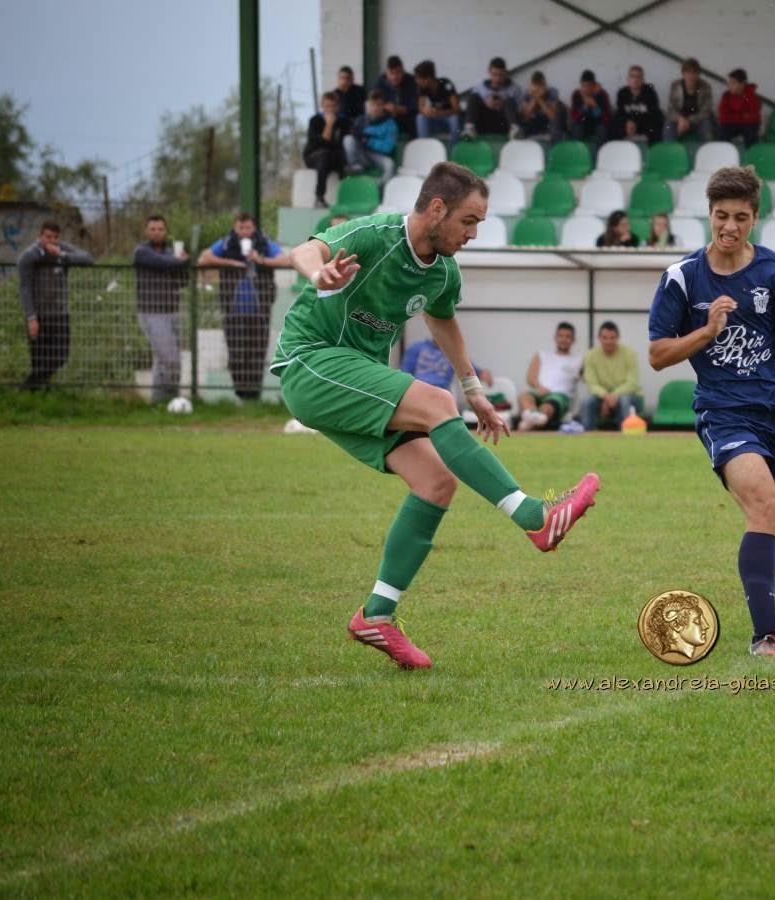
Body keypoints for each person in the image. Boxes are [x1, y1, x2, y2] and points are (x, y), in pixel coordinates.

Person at [271, 162, 601, 669]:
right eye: (469, 221)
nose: (473, 234)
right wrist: (320, 273)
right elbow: (305, 249)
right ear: (437, 209)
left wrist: (474, 390)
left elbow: (442, 320)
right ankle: (534, 517)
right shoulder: (377, 235)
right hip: (311, 362)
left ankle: (377, 615)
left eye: (479, 224)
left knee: (436, 483)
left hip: (353, 377)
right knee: (435, 403)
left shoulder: (444, 271)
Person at [647, 165, 775, 658]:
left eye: (740, 217)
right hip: (725, 414)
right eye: (721, 215)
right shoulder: (682, 278)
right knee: (762, 506)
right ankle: (766, 638)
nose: (729, 226)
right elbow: (657, 355)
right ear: (709, 214)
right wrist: (706, 331)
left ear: (755, 219)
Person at [199, 212, 290, 401]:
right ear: (235, 228)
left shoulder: (264, 243)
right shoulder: (226, 243)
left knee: (257, 354)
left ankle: (254, 396)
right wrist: (230, 263)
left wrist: (261, 260)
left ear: (254, 228)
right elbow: (204, 258)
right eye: (241, 228)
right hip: (233, 311)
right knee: (236, 354)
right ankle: (241, 394)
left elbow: (285, 259)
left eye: (248, 227)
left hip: (260, 311)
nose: (245, 231)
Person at [16, 221, 93, 390]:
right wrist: (31, 317)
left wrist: (62, 255)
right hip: (38, 315)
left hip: (60, 314)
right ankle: (38, 393)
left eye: (55, 237)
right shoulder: (29, 256)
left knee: (61, 355)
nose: (52, 240)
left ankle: (26, 387)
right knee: (39, 360)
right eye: (48, 237)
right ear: (40, 236)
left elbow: (88, 259)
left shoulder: (62, 249)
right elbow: (25, 288)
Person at [132, 215, 191, 402]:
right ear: (146, 231)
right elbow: (161, 262)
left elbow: (183, 281)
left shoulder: (172, 253)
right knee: (170, 359)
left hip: (173, 310)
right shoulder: (141, 252)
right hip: (152, 312)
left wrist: (184, 264)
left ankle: (159, 400)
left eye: (160, 229)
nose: (157, 232)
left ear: (166, 231)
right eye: (153, 229)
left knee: (164, 359)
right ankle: (172, 397)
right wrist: (180, 260)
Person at [518, 321, 583, 431]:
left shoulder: (579, 360)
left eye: (568, 337)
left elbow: (588, 378)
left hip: (560, 396)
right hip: (540, 391)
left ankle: (529, 422)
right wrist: (539, 387)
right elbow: (530, 378)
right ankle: (534, 419)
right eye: (561, 336)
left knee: (547, 408)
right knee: (524, 396)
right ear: (555, 338)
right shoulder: (541, 355)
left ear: (573, 340)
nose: (564, 339)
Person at [581, 321, 643, 430]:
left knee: (624, 400)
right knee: (587, 402)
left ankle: (627, 435)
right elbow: (592, 385)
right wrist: (606, 396)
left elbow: (632, 383)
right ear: (599, 338)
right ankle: (588, 435)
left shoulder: (630, 354)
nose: (608, 341)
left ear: (618, 338)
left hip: (632, 397)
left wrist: (613, 396)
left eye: (612, 338)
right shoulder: (590, 356)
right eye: (605, 338)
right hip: (602, 397)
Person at [343, 89, 399, 185]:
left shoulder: (391, 124)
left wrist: (369, 141)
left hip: (379, 156)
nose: (375, 108)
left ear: (383, 105)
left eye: (379, 104)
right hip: (362, 155)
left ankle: (380, 188)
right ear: (368, 105)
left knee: (390, 164)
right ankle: (355, 167)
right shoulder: (360, 121)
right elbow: (353, 141)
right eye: (373, 104)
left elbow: (388, 147)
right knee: (348, 139)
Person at [464, 57, 523, 140]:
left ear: (506, 73)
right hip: (484, 121)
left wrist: (503, 105)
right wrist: (486, 103)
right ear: (489, 72)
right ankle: (469, 129)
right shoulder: (480, 87)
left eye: (501, 75)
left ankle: (514, 131)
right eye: (494, 75)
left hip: (504, 123)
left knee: (509, 100)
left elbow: (520, 111)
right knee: (473, 97)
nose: (497, 78)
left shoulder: (515, 89)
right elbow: (470, 108)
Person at [304, 92, 345, 207]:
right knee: (324, 154)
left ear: (338, 106)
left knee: (341, 156)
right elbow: (320, 144)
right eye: (327, 106)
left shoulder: (342, 121)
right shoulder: (314, 120)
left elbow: (340, 144)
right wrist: (329, 125)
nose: (330, 109)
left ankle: (346, 196)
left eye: (333, 106)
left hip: (332, 156)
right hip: (313, 156)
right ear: (322, 106)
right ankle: (319, 197)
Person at [663, 58, 715, 142]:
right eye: (688, 72)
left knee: (707, 128)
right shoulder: (675, 85)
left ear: (698, 74)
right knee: (668, 127)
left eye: (694, 72)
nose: (691, 76)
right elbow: (671, 109)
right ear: (683, 74)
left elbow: (706, 110)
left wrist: (689, 120)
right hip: (679, 119)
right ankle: (670, 149)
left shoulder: (706, 86)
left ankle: (707, 149)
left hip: (698, 120)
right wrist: (680, 119)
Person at [414, 59, 462, 144]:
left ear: (428, 78)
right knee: (420, 117)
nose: (416, 81)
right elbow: (420, 107)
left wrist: (439, 113)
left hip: (448, 119)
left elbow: (457, 109)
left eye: (418, 78)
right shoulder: (422, 88)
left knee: (454, 119)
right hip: (435, 119)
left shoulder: (446, 84)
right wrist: (426, 111)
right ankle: (425, 146)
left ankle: (454, 149)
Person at [612, 65, 663, 143]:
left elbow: (654, 114)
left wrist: (636, 124)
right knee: (613, 126)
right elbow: (620, 113)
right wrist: (627, 123)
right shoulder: (622, 93)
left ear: (643, 80)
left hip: (644, 125)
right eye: (632, 76)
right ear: (628, 79)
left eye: (638, 77)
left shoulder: (650, 93)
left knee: (656, 127)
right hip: (628, 125)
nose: (635, 80)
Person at [375, 55, 420, 137]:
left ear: (403, 71)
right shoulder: (380, 82)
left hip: (407, 116)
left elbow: (415, 104)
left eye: (398, 73)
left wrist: (397, 109)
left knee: (416, 118)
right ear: (386, 72)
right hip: (388, 114)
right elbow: (375, 101)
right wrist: (386, 107)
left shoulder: (411, 81)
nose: (395, 77)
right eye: (391, 73)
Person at [519, 70, 567, 143]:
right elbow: (526, 117)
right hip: (535, 120)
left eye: (540, 85)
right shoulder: (526, 93)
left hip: (548, 121)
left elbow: (552, 116)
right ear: (531, 85)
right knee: (522, 129)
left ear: (544, 84)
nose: (538, 88)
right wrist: (535, 98)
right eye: (536, 85)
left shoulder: (552, 92)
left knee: (556, 124)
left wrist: (540, 99)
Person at [569, 70, 612, 143]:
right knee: (577, 129)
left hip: (598, 124)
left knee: (602, 130)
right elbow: (574, 117)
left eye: (589, 86)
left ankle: (600, 150)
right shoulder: (576, 95)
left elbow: (607, 118)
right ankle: (578, 150)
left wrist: (595, 105)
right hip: (582, 123)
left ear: (594, 86)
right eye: (583, 86)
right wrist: (584, 107)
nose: (586, 89)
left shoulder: (602, 94)